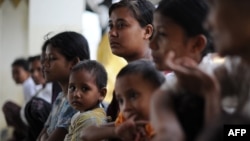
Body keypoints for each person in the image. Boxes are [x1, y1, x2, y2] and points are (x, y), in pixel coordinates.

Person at [149, 0, 217, 141]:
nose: (152, 44)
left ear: (196, 44)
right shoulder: (167, 92)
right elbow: (170, 135)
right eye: (153, 33)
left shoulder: (229, 80)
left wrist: (211, 92)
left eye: (162, 34)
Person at [80, 60, 165, 141]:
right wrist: (116, 132)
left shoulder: (168, 123)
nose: (125, 107)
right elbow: (85, 134)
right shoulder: (126, 123)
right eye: (121, 101)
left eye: (133, 96)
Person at [107, 0, 155, 121]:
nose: (112, 33)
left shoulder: (158, 79)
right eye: (110, 26)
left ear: (147, 31)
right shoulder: (125, 78)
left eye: (121, 25)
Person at [37, 31, 90, 141]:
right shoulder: (61, 97)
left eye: (51, 58)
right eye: (45, 59)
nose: (44, 64)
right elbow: (43, 132)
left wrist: (45, 137)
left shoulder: (76, 101)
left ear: (74, 63)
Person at [64, 60, 108, 141]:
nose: (76, 94)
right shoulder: (79, 115)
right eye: (72, 87)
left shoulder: (88, 119)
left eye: (85, 89)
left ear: (101, 93)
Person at [2, 58, 37, 141]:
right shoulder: (29, 83)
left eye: (17, 72)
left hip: (32, 126)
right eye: (13, 73)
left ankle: (21, 133)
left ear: (28, 72)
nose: (14, 76)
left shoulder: (28, 84)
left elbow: (32, 109)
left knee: (8, 106)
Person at [23, 55, 53, 140]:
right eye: (32, 71)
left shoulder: (55, 91)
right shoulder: (39, 90)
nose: (34, 74)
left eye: (39, 69)